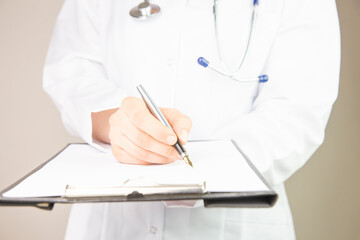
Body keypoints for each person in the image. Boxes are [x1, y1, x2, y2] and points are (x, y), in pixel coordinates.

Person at [43, 0, 341, 239]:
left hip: (232, 224)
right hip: (111, 225)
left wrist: (195, 173)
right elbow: (71, 72)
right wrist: (117, 122)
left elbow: (296, 111)